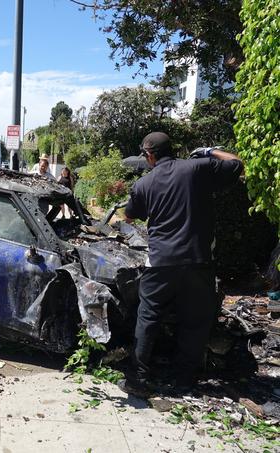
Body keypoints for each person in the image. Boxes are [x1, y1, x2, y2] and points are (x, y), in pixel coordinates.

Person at [118, 132, 243, 396]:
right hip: (199, 261)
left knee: (148, 317)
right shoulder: (198, 167)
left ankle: (138, 379)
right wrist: (209, 151)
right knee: (195, 322)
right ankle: (184, 380)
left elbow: (129, 217)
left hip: (161, 262)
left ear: (150, 155)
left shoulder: (144, 183)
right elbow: (236, 163)